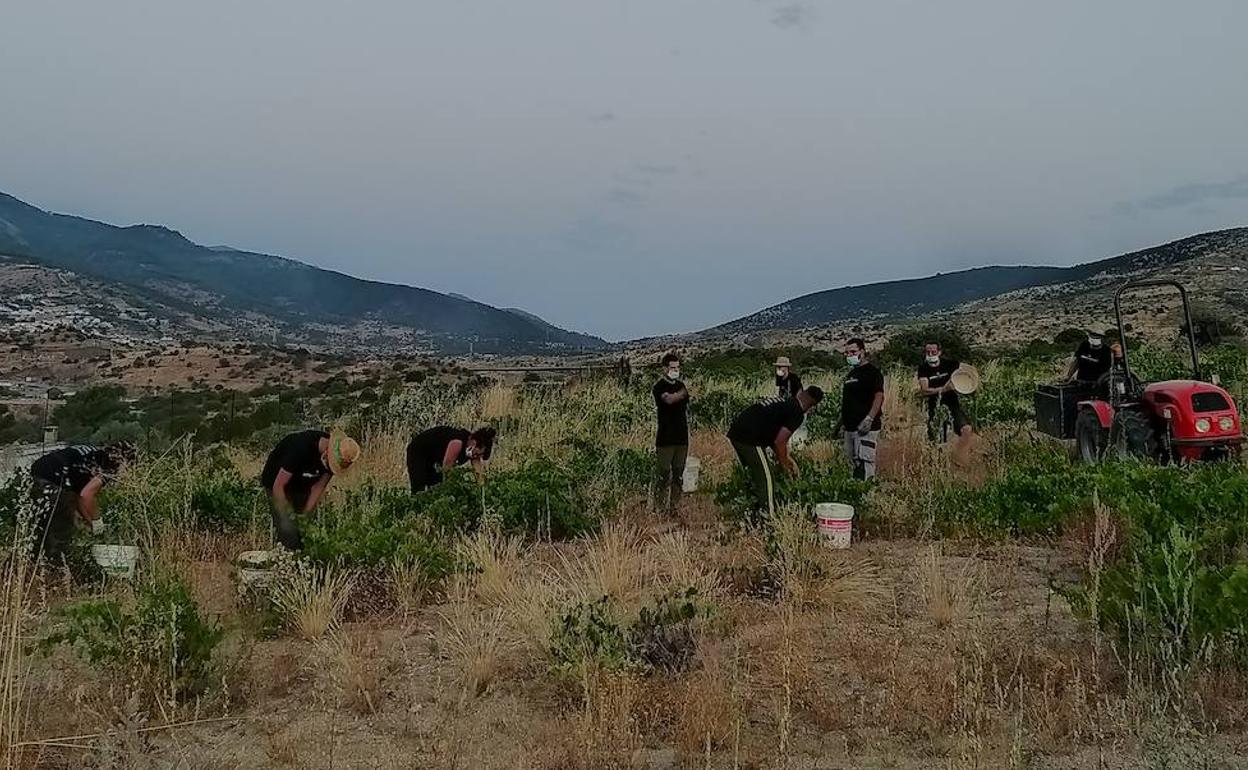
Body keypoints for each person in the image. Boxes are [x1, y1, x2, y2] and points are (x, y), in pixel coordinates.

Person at [28, 442, 136, 563]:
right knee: (59, 536)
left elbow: (78, 496)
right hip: (56, 480)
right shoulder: (111, 466)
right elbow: (87, 495)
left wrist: (89, 522)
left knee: (40, 531)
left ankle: (27, 569)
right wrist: (98, 521)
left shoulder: (93, 455)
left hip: (39, 474)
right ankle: (57, 573)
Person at [726, 387, 824, 521]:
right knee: (766, 477)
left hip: (738, 433)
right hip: (750, 438)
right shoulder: (797, 413)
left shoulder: (787, 403)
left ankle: (753, 512)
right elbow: (779, 442)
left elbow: (774, 438)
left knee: (754, 474)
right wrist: (785, 466)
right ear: (812, 406)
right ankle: (769, 518)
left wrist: (788, 459)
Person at [261, 429, 360, 550]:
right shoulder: (300, 447)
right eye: (330, 464)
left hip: (303, 483)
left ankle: (299, 557)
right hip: (277, 482)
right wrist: (288, 516)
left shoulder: (336, 458)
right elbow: (278, 486)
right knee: (287, 529)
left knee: (302, 532)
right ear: (326, 452)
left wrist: (305, 516)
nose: (330, 468)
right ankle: (284, 557)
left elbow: (318, 487)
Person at [840, 338, 884, 480]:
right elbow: (847, 402)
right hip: (850, 428)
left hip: (866, 428)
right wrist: (839, 425)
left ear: (862, 352)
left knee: (866, 461)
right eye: (847, 353)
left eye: (853, 352)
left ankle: (867, 492)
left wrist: (869, 418)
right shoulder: (851, 374)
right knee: (851, 463)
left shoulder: (872, 372)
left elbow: (879, 396)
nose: (850, 355)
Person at [406, 425, 496, 493]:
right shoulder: (457, 443)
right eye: (477, 454)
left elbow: (479, 475)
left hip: (433, 458)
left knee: (433, 485)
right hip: (418, 451)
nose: (476, 457)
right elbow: (446, 470)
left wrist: (483, 491)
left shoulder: (473, 452)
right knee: (419, 486)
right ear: (474, 443)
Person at [652, 353, 689, 515]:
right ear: (665, 369)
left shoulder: (681, 385)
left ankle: (674, 507)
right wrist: (683, 393)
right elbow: (668, 400)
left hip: (681, 437)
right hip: (666, 438)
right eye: (672, 368)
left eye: (677, 367)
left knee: (678, 475)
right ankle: (659, 508)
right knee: (664, 474)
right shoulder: (659, 387)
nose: (675, 370)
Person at [917, 342, 972, 443]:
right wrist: (944, 389)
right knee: (937, 440)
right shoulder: (923, 368)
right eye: (928, 352)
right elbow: (925, 390)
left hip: (953, 404)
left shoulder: (949, 364)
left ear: (939, 352)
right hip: (935, 406)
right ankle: (939, 457)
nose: (930, 355)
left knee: (966, 430)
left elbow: (968, 370)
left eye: (933, 352)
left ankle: (961, 456)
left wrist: (968, 384)